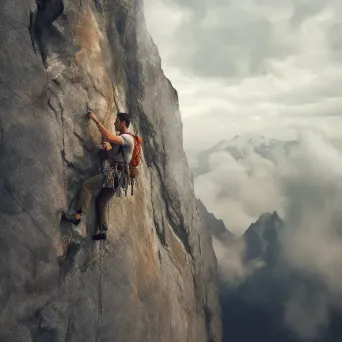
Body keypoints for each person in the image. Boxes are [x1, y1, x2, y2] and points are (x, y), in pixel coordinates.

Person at [62, 111, 134, 240]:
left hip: (115, 173)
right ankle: (103, 231)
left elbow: (109, 138)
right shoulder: (122, 139)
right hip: (118, 174)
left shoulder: (128, 138)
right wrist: (107, 149)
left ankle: (77, 217)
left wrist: (96, 120)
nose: (114, 123)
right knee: (102, 201)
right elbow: (113, 155)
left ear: (123, 123)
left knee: (87, 185)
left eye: (116, 121)